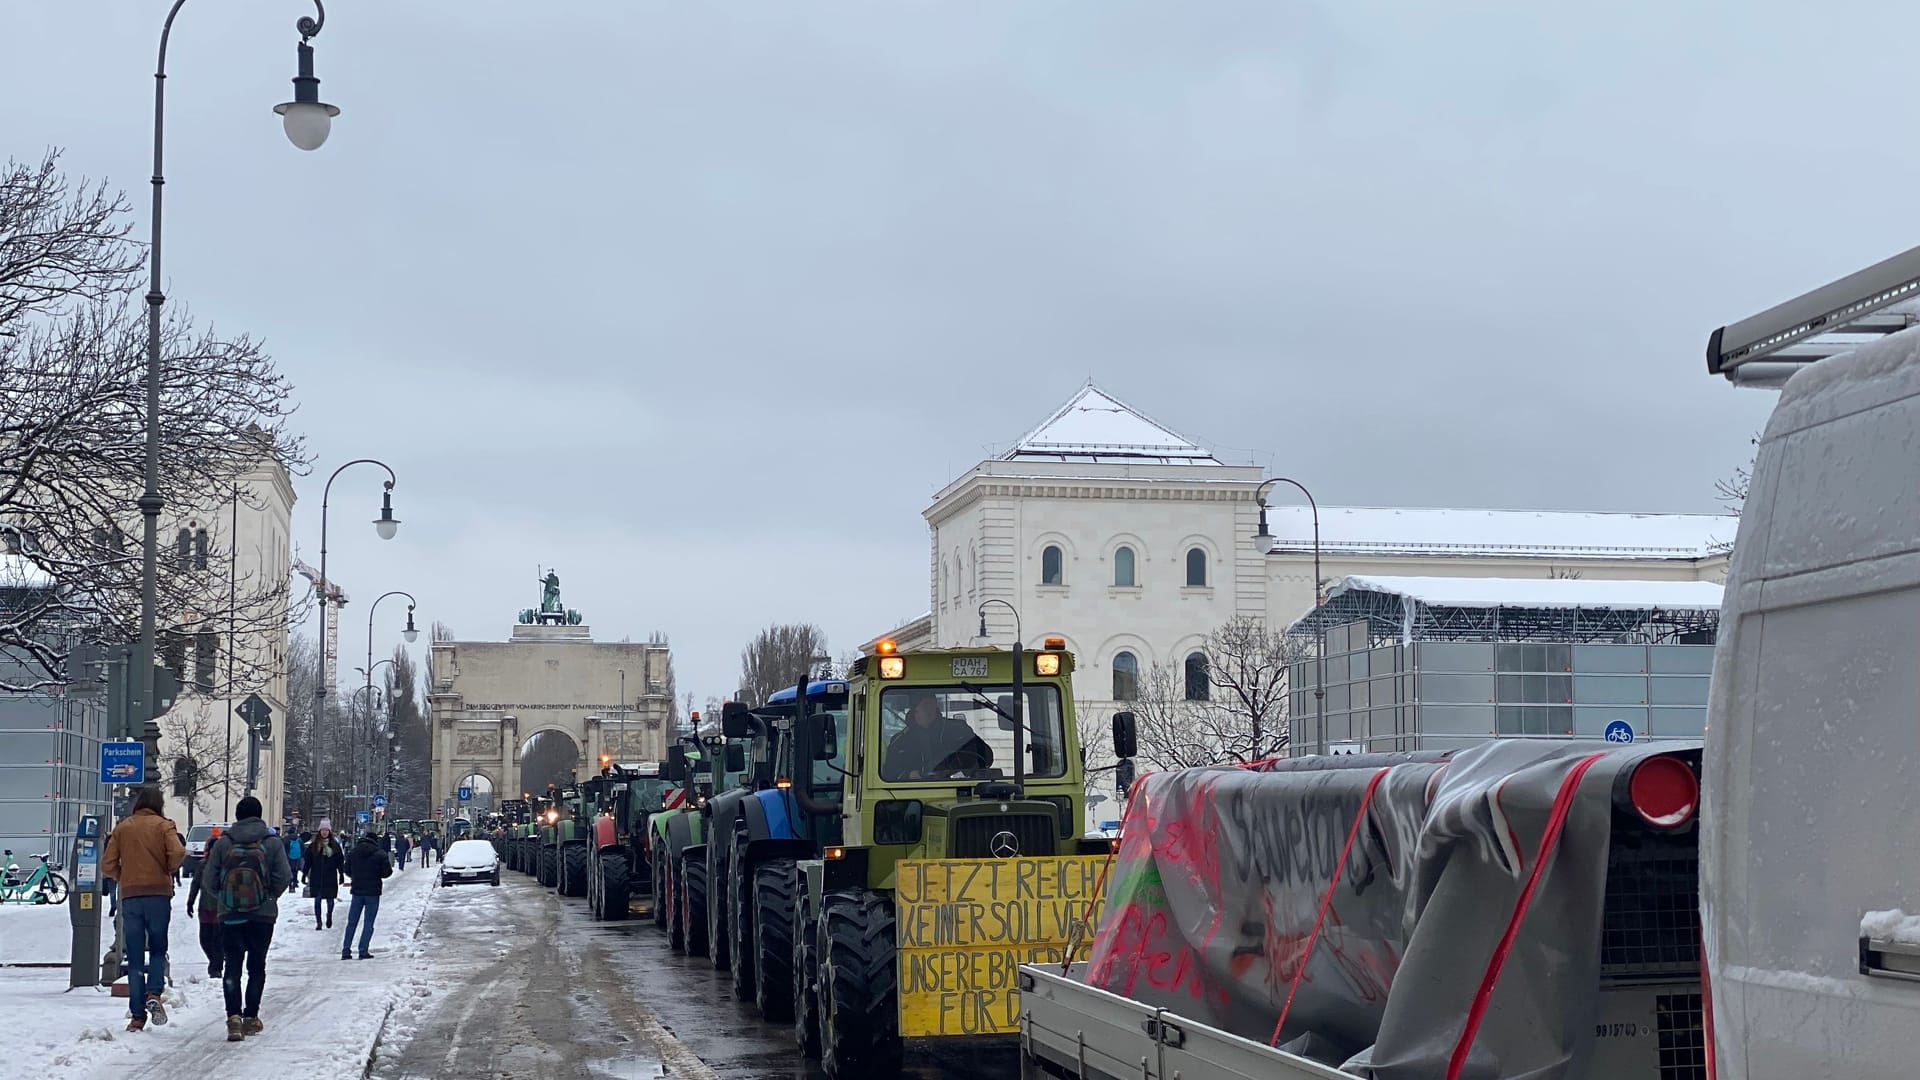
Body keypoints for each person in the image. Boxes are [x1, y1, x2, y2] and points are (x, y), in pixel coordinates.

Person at [203, 795, 291, 1041]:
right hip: (262, 915)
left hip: (230, 914)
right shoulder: (272, 843)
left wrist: (225, 898)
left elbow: (209, 880)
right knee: (256, 966)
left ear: (237, 815)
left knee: (232, 966)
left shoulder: (223, 843)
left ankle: (233, 1017)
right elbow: (284, 876)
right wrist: (269, 895)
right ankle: (251, 1017)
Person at [101, 786, 185, 1031]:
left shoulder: (123, 827)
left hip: (132, 896)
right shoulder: (163, 825)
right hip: (158, 894)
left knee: (135, 955)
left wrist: (124, 876)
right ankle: (154, 993)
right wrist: (167, 870)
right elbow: (178, 852)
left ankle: (137, 1017)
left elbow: (107, 864)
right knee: (158, 947)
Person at [884, 696, 993, 780]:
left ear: (936, 706)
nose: (927, 712)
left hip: (960, 787)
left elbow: (986, 757)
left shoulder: (958, 729)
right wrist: (909, 775)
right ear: (913, 712)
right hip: (914, 794)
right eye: (920, 708)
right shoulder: (901, 741)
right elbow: (888, 774)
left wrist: (963, 769)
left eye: (929, 705)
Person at [342, 830, 392, 960]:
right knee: (368, 923)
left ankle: (346, 950)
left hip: (357, 891)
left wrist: (356, 875)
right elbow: (387, 872)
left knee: (352, 922)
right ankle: (363, 950)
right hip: (373, 892)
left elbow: (346, 869)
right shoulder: (380, 854)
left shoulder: (353, 852)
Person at [186, 858, 224, 980]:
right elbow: (196, 883)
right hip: (205, 907)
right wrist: (190, 901)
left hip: (222, 908)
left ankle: (216, 968)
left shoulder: (226, 863)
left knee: (217, 941)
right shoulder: (203, 865)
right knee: (205, 940)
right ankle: (216, 961)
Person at [306, 822, 346, 929]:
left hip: (330, 876)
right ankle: (318, 922)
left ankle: (329, 915)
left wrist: (341, 873)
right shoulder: (314, 846)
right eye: (322, 830)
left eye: (326, 830)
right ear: (319, 831)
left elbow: (339, 861)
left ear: (329, 831)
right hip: (317, 876)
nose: (324, 832)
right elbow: (308, 861)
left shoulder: (334, 846)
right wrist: (305, 873)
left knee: (330, 899)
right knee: (317, 899)